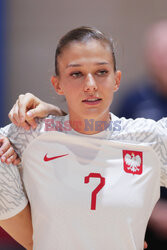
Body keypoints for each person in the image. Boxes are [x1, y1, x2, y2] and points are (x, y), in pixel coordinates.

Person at [0, 26, 166, 250]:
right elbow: (32, 241)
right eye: (76, 74)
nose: (90, 85)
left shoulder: (150, 140)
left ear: (116, 80)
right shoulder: (27, 137)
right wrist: (58, 120)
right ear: (57, 84)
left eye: (101, 72)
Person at [117, 20, 167, 250]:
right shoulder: (132, 103)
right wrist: (153, 212)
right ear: (149, 56)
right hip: (147, 226)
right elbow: (116, 165)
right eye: (160, 53)